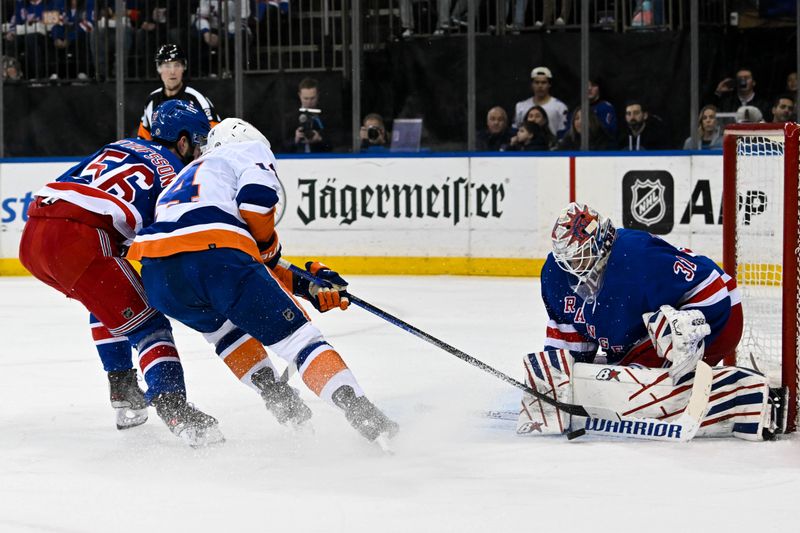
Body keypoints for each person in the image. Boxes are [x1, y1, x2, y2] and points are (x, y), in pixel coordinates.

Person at [127, 118, 399, 444]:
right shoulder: (247, 150)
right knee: (300, 342)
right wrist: (289, 268)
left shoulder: (184, 176)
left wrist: (306, 284)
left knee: (222, 331)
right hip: (216, 258)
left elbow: (235, 252)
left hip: (159, 275)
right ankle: (366, 416)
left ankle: (276, 395)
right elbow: (256, 206)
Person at [17, 101, 222, 446]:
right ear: (183, 141)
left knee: (105, 296)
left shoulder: (123, 144)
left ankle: (125, 391)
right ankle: (176, 408)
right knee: (149, 323)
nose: (198, 153)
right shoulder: (177, 172)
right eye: (198, 143)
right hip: (78, 238)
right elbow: (172, 239)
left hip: (34, 233)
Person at [517, 202, 784, 441]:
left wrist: (687, 324)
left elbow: (713, 287)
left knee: (654, 351)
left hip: (718, 319)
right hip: (635, 341)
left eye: (581, 256)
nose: (574, 266)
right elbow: (569, 337)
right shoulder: (555, 274)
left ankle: (743, 398)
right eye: (569, 260)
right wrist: (560, 384)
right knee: (608, 379)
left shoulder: (636, 256)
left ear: (601, 243)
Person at [138, 44, 221, 140]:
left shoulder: (197, 99)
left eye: (177, 65)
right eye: (167, 65)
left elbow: (216, 134)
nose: (172, 71)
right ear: (159, 68)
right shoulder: (151, 100)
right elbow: (143, 139)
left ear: (184, 67)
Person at [513, 66, 568, 138]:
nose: (540, 86)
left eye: (543, 82)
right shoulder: (520, 106)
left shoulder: (560, 107)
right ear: (532, 85)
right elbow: (515, 131)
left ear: (549, 84)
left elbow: (563, 133)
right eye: (536, 82)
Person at [285, 77, 332, 153]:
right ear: (299, 95)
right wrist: (295, 139)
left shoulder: (326, 116)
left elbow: (337, 144)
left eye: (312, 98)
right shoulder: (291, 118)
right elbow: (279, 146)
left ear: (318, 95)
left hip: (321, 159)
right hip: (295, 160)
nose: (309, 102)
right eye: (306, 98)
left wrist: (320, 138)